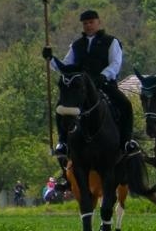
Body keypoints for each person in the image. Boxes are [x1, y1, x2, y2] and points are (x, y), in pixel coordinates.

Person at [44, 8, 137, 156]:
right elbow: (66, 67)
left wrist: (103, 75)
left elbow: (115, 63)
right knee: (60, 108)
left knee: (125, 104)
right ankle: (63, 142)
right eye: (85, 23)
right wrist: (51, 59)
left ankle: (127, 141)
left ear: (98, 22)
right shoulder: (76, 45)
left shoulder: (111, 42)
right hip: (80, 89)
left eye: (91, 22)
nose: (88, 26)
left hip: (104, 84)